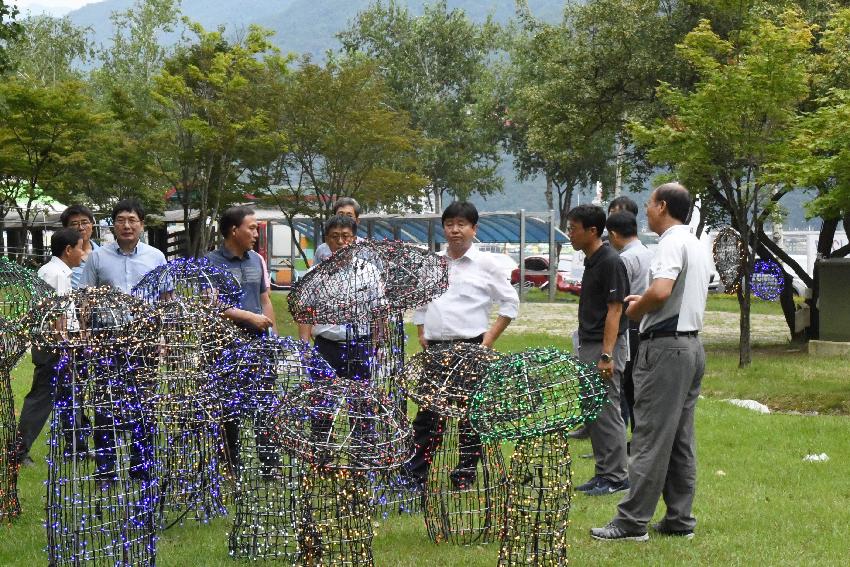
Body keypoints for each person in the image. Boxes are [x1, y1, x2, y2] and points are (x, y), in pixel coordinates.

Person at [591, 183, 711, 541]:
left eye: (648, 204)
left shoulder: (671, 242)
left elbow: (661, 292)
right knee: (678, 439)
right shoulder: (695, 242)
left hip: (666, 349)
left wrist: (636, 308)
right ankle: (679, 519)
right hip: (691, 347)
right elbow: (675, 291)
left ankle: (631, 523)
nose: (645, 211)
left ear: (662, 206)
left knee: (649, 438)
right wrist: (645, 298)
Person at [405, 201, 519, 489]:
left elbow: (510, 303)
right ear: (444, 228)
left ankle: (464, 474)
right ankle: (417, 475)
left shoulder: (487, 265)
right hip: (436, 349)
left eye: (462, 225)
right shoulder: (432, 263)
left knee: (469, 418)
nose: (455, 230)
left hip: (471, 347)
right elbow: (420, 302)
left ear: (473, 229)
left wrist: (488, 341)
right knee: (428, 415)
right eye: (450, 224)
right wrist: (422, 333)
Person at [206, 206, 278, 475]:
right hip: (225, 344)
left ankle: (270, 466)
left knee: (265, 404)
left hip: (259, 343)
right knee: (229, 408)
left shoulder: (256, 260)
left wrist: (273, 337)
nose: (256, 233)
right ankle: (229, 466)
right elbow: (212, 306)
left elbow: (265, 300)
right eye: (251, 228)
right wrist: (249, 318)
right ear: (233, 230)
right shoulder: (211, 263)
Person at [567, 204, 630, 497]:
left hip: (603, 346)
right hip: (588, 342)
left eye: (574, 228)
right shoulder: (591, 260)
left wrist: (606, 355)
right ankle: (603, 472)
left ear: (592, 231)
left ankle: (616, 476)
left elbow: (615, 310)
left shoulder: (610, 261)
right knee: (593, 411)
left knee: (606, 410)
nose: (570, 233)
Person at [16, 229, 87, 466]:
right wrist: (65, 344)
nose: (83, 253)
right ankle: (19, 451)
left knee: (71, 395)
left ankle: (76, 447)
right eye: (80, 248)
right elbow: (55, 315)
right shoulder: (56, 274)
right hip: (55, 347)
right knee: (42, 397)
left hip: (58, 345)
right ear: (68, 250)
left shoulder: (53, 270)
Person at [606, 211, 653, 435]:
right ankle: (636, 435)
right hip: (645, 323)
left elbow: (617, 301)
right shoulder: (646, 252)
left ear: (614, 234)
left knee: (626, 385)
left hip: (629, 324)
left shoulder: (624, 259)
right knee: (637, 383)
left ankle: (623, 436)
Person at [79, 199, 166, 292]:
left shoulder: (156, 257)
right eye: (120, 220)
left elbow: (166, 296)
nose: (126, 226)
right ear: (113, 225)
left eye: (132, 220)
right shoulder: (96, 256)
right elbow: (85, 295)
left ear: (141, 225)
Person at [59, 204, 100, 289]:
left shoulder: (103, 254)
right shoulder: (61, 256)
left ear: (92, 225)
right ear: (65, 228)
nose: (81, 228)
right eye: (74, 224)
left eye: (85, 222)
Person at [314, 197, 363, 264]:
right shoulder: (322, 250)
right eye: (340, 215)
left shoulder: (367, 249)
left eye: (349, 216)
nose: (344, 219)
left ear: (357, 221)